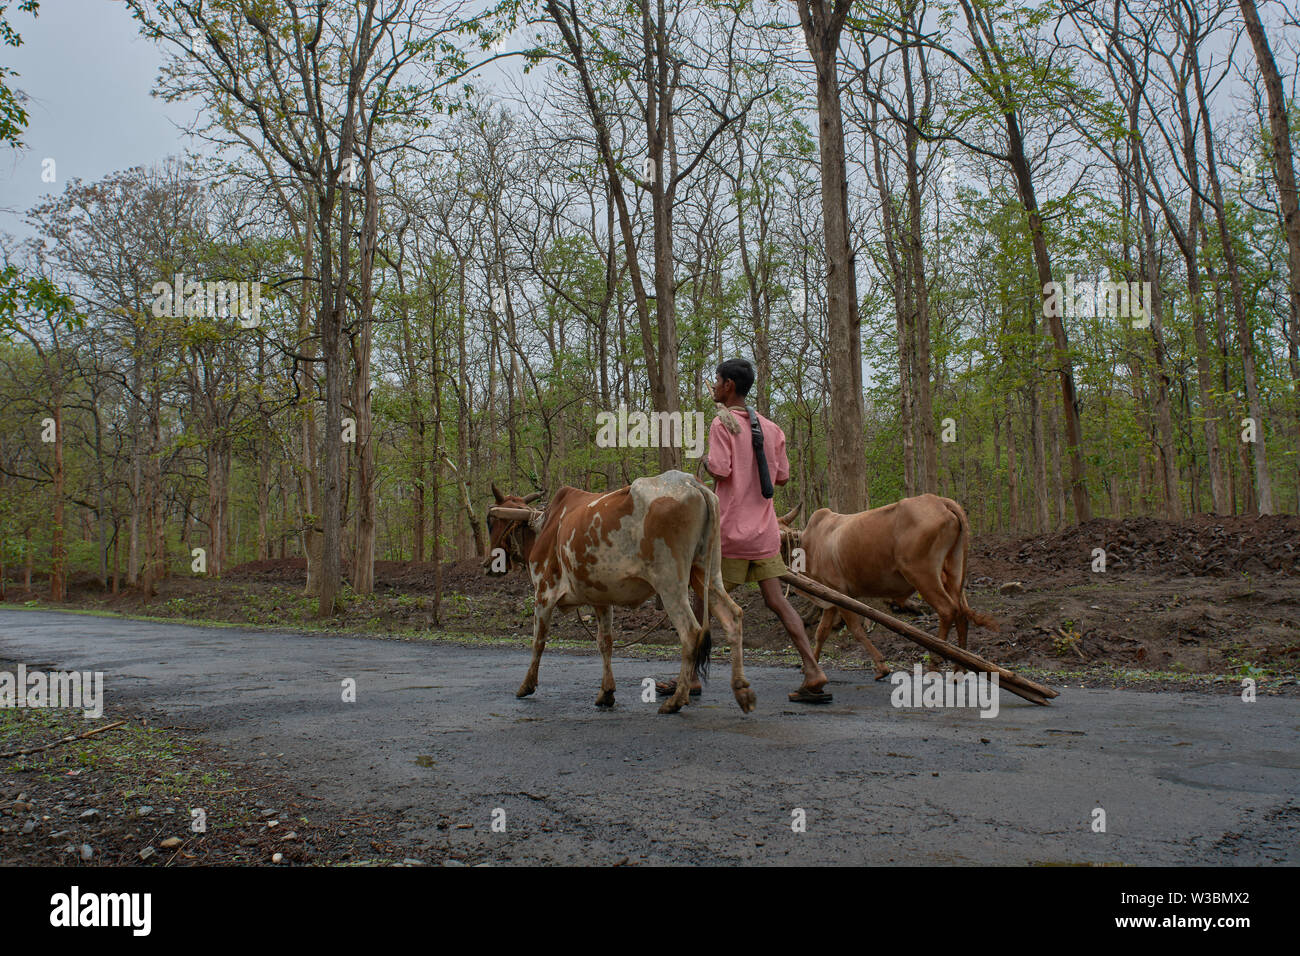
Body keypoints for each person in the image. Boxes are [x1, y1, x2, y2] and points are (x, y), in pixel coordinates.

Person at [657, 358, 832, 704]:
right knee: (777, 601)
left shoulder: (721, 424)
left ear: (729, 387)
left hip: (730, 537)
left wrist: (704, 463)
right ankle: (813, 670)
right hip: (765, 534)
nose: (716, 386)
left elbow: (721, 470)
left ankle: (690, 679)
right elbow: (780, 477)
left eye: (718, 381)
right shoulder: (772, 428)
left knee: (701, 602)